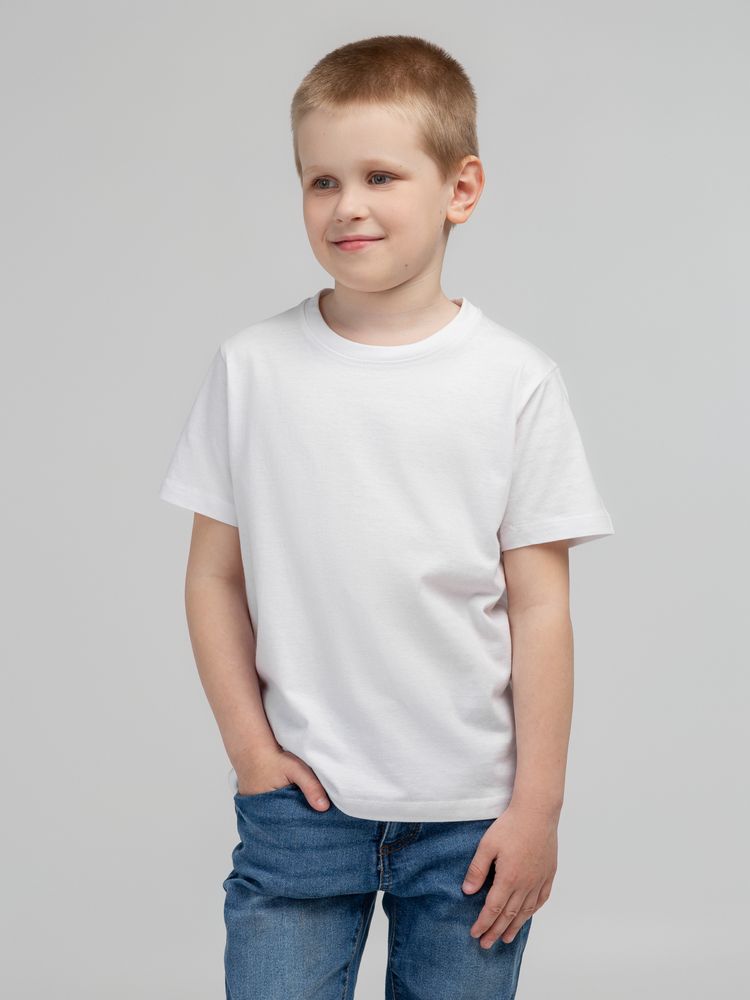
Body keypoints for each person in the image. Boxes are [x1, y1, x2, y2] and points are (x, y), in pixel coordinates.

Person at [159, 33, 614, 1000]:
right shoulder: (251, 370)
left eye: (379, 176)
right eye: (320, 181)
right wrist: (251, 754)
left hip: (472, 819)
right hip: (302, 806)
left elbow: (541, 609)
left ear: (461, 189)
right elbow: (212, 579)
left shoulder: (516, 382)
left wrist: (538, 808)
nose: (347, 205)